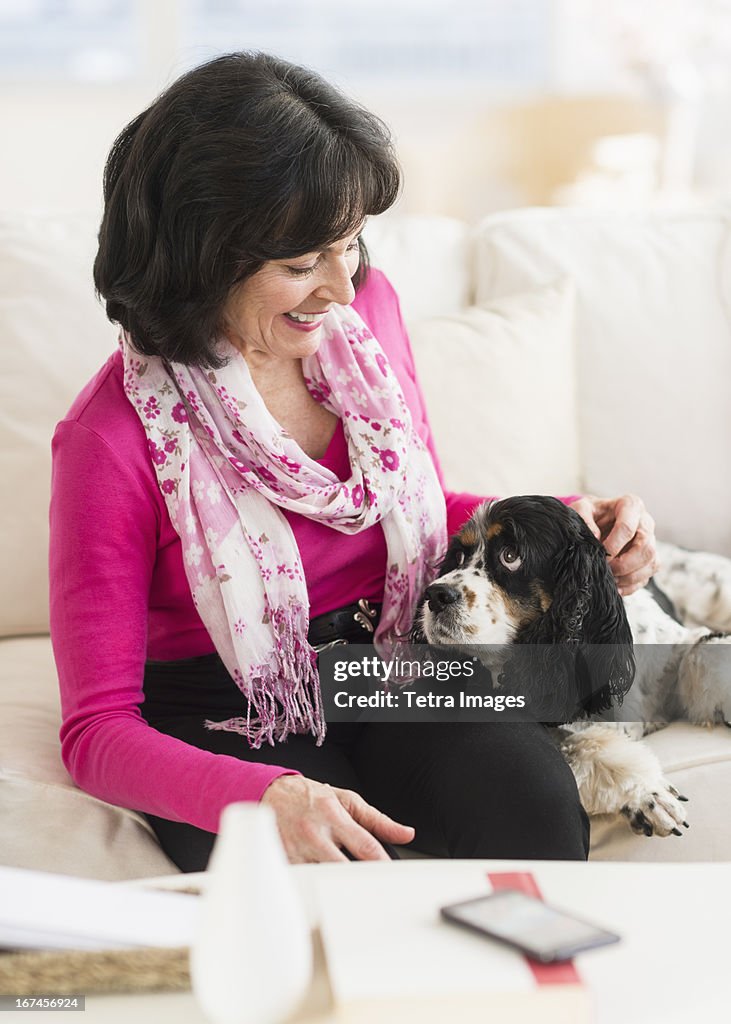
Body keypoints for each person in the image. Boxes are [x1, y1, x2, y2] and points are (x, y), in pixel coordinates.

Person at [49, 52, 658, 873]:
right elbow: (96, 732)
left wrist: (570, 520)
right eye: (301, 263)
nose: (340, 285)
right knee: (328, 883)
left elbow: (412, 504)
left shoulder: (364, 311)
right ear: (200, 259)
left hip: (389, 656)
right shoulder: (111, 439)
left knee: (531, 805)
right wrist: (260, 795)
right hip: (226, 708)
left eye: (350, 245)